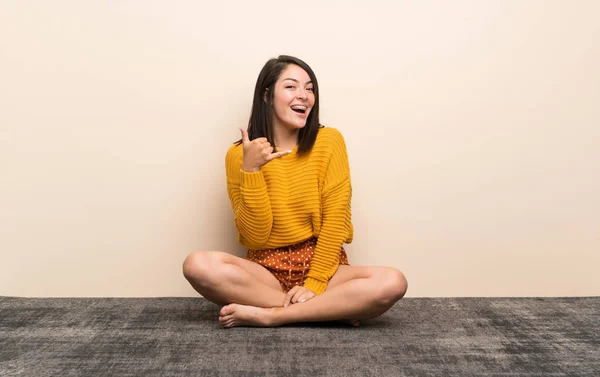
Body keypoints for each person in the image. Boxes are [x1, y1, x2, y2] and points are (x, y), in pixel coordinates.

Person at [183, 55, 407, 328]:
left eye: (310, 88)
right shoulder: (238, 155)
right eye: (291, 86)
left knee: (393, 282)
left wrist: (314, 282)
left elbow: (336, 219)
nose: (304, 95)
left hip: (325, 266)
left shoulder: (329, 141)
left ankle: (272, 315)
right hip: (265, 269)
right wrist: (251, 171)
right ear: (267, 95)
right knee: (196, 265)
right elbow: (255, 236)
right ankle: (329, 310)